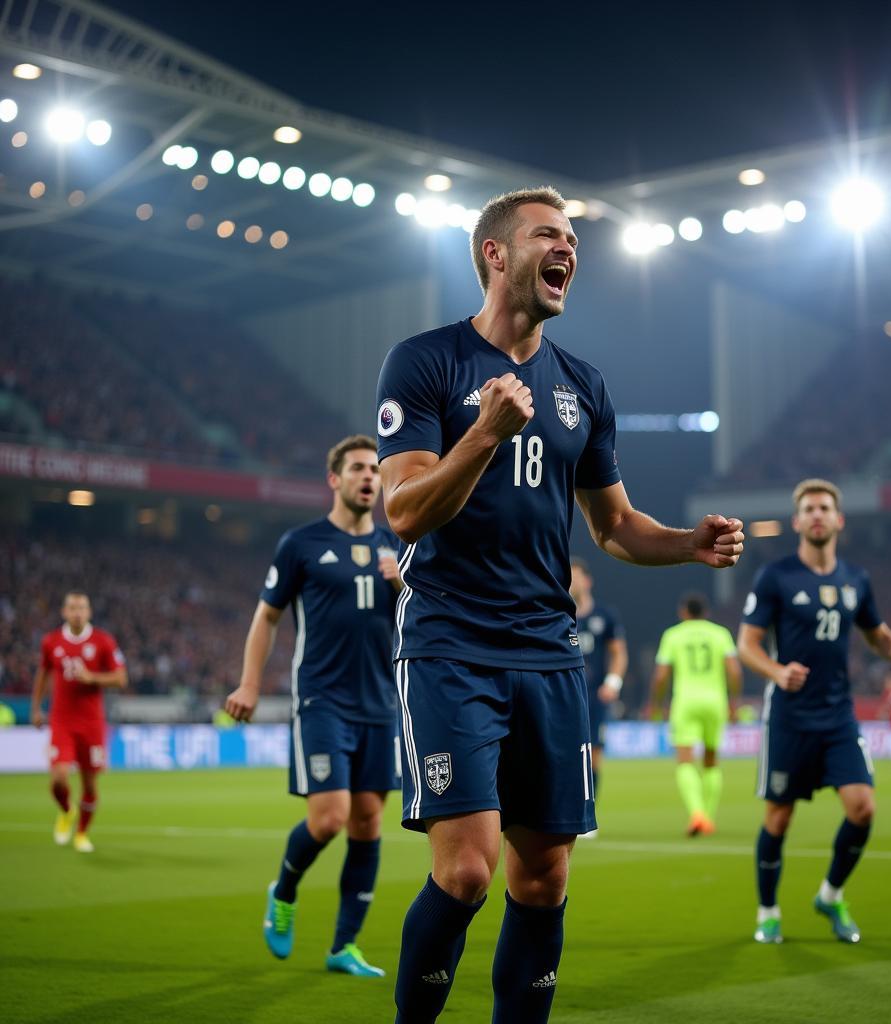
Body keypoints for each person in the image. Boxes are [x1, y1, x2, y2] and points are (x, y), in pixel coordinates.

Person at [375, 186, 744, 1023]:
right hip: (449, 643)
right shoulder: (425, 362)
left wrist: (687, 541)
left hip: (547, 651)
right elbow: (403, 512)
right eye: (549, 234)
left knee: (543, 879)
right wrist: (482, 434)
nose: (569, 249)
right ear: (495, 254)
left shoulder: (582, 383)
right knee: (466, 871)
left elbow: (614, 526)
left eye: (573, 239)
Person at [225, 436, 403, 977]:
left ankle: (343, 946)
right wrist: (250, 684)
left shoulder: (399, 548)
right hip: (322, 700)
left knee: (369, 823)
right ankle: (285, 889)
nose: (368, 477)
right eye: (357, 468)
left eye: (375, 469)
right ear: (335, 479)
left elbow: (421, 621)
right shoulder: (301, 544)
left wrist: (406, 588)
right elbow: (267, 618)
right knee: (329, 819)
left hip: (382, 703)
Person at [738, 479, 891, 946]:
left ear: (838, 519)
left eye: (824, 508)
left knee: (863, 807)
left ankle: (830, 894)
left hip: (837, 716)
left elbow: (878, 635)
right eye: (808, 508)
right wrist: (775, 670)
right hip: (788, 716)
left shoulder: (856, 579)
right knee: (778, 820)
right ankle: (768, 911)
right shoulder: (776, 577)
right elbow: (746, 644)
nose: (816, 515)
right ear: (797, 521)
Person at [30, 591, 127, 853]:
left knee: (89, 784)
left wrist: (92, 678)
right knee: (59, 779)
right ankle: (66, 810)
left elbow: (120, 678)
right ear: (64, 612)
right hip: (61, 720)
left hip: (92, 723)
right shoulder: (51, 642)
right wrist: (36, 708)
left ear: (89, 612)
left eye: (82, 608)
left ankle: (82, 833)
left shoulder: (103, 641)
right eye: (72, 608)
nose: (77, 612)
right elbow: (43, 674)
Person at [648, 593, 741, 837]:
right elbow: (734, 671)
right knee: (711, 760)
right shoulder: (720, 634)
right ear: (706, 613)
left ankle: (697, 814)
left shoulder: (673, 635)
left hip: (686, 702)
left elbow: (660, 676)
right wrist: (734, 702)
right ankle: (708, 817)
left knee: (685, 760)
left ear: (683, 612)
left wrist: (656, 704)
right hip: (715, 702)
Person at [569, 555, 628, 828]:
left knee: (594, 755)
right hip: (565, 693)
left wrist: (613, 682)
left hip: (594, 696)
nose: (571, 580)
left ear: (587, 581)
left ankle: (587, 812)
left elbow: (618, 653)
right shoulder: (557, 614)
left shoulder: (604, 615)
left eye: (576, 575)